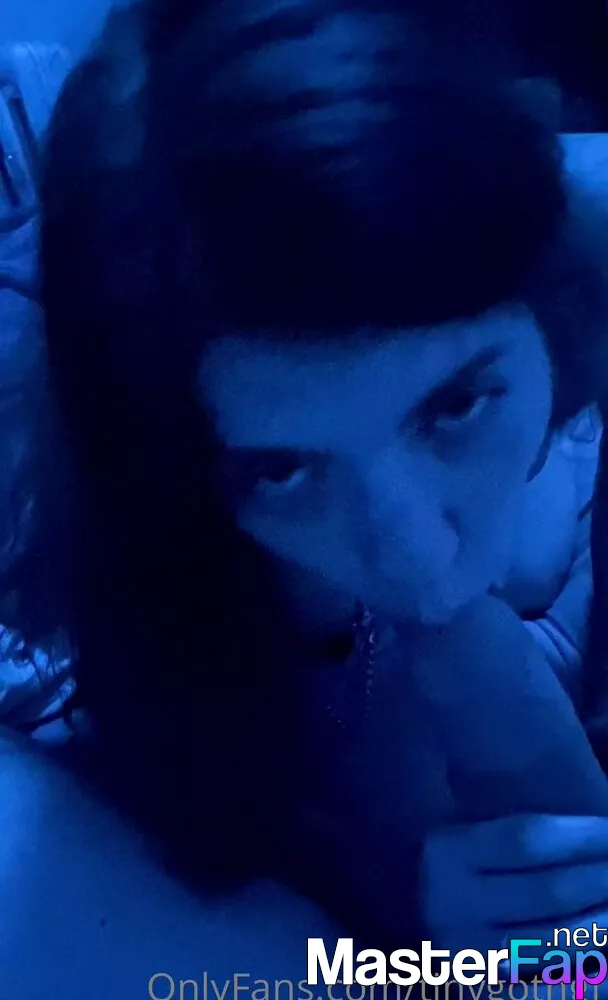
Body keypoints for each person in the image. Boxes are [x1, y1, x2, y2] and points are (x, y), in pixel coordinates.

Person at [7, 0, 608, 989]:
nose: (418, 558)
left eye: (455, 404)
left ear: (547, 308)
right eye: (282, 471)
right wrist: (421, 952)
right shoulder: (133, 600)